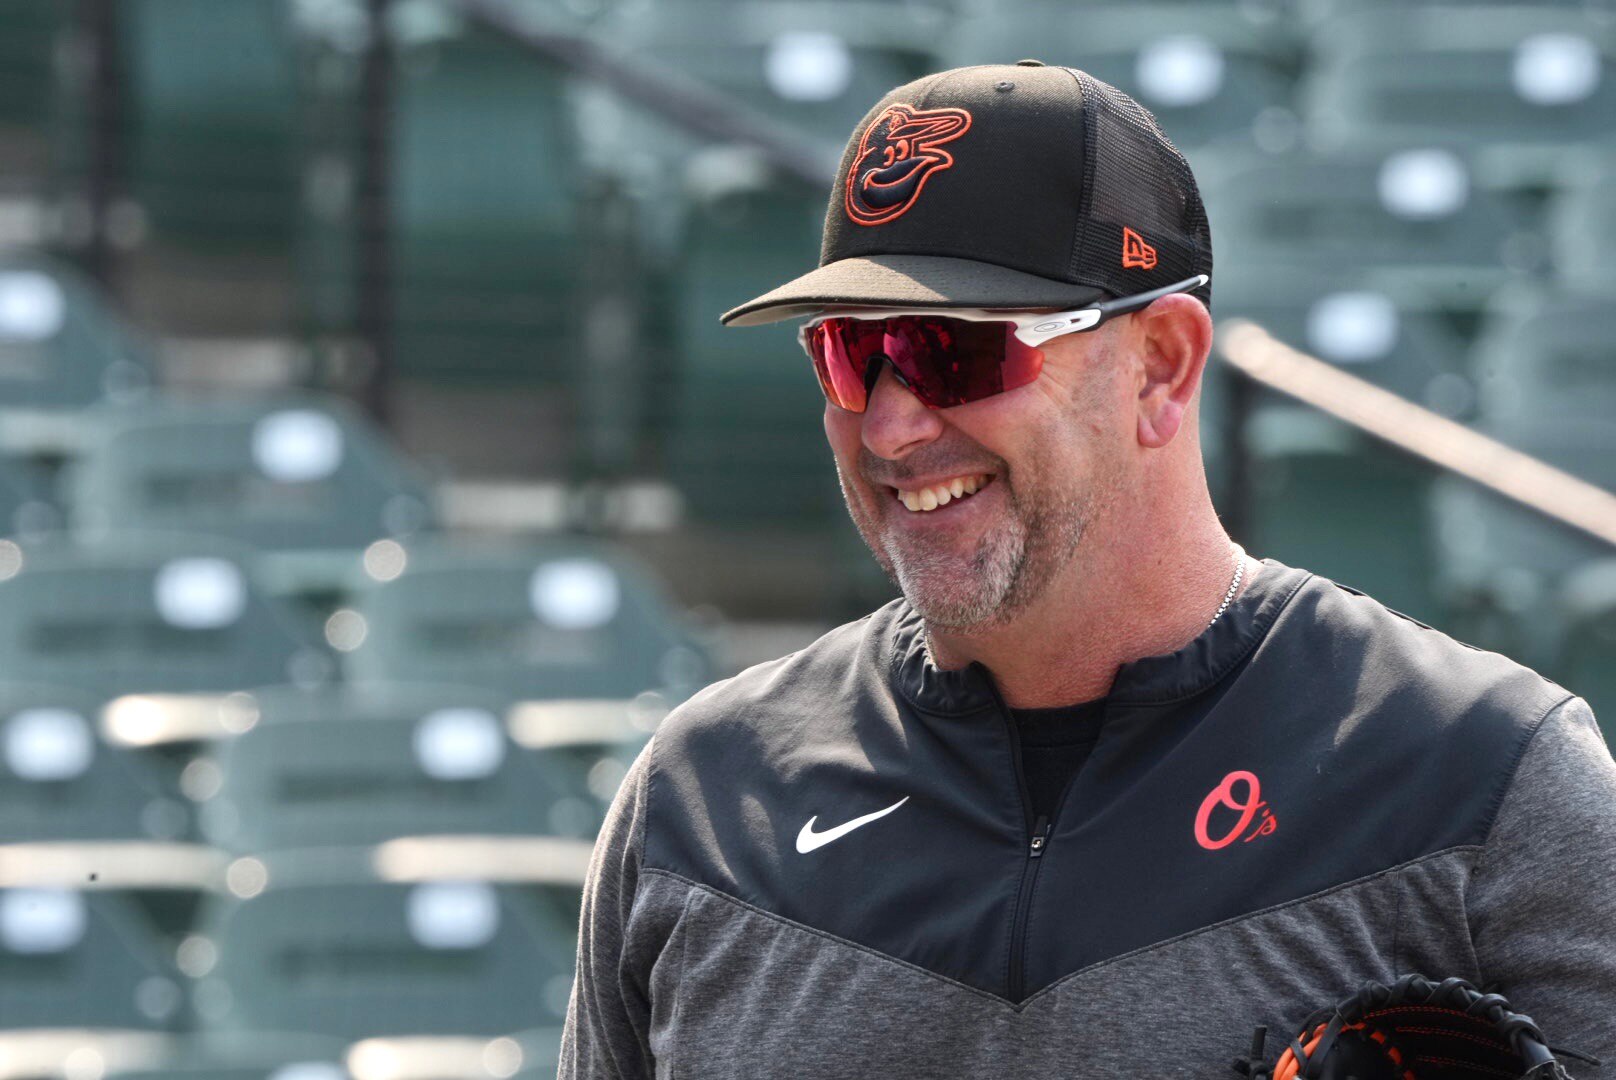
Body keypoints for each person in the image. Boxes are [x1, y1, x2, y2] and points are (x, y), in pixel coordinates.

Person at [559, 62, 1616, 1078]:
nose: (886, 426)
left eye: (950, 349)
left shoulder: (1478, 783)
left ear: (1159, 365)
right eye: (847, 352)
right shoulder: (700, 802)